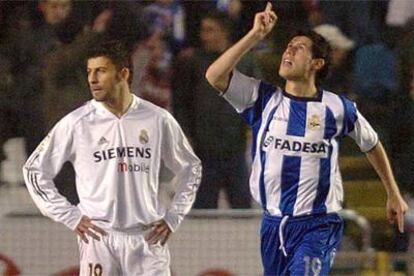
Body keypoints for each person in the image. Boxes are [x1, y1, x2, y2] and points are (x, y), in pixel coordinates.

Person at [205, 2, 408, 275]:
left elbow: (371, 143)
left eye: (298, 47)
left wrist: (393, 193)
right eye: (288, 45)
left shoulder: (337, 108)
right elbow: (215, 75)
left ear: (317, 63)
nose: (289, 50)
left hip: (317, 225)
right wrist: (254, 36)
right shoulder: (264, 100)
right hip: (273, 224)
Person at [22, 40, 202, 276]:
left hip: (147, 239)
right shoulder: (77, 123)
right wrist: (70, 215)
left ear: (123, 74)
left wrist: (174, 215)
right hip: (99, 238)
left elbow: (191, 167)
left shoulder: (158, 119)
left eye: (101, 71)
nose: (92, 79)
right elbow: (34, 170)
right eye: (89, 72)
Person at [173, 11, 262, 209]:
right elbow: (181, 102)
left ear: (225, 32)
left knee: (242, 208)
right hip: (203, 151)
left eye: (210, 30)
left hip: (235, 150)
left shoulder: (246, 62)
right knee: (203, 212)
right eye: (203, 30)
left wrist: (252, 131)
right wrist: (185, 134)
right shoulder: (192, 62)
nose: (204, 36)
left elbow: (257, 100)